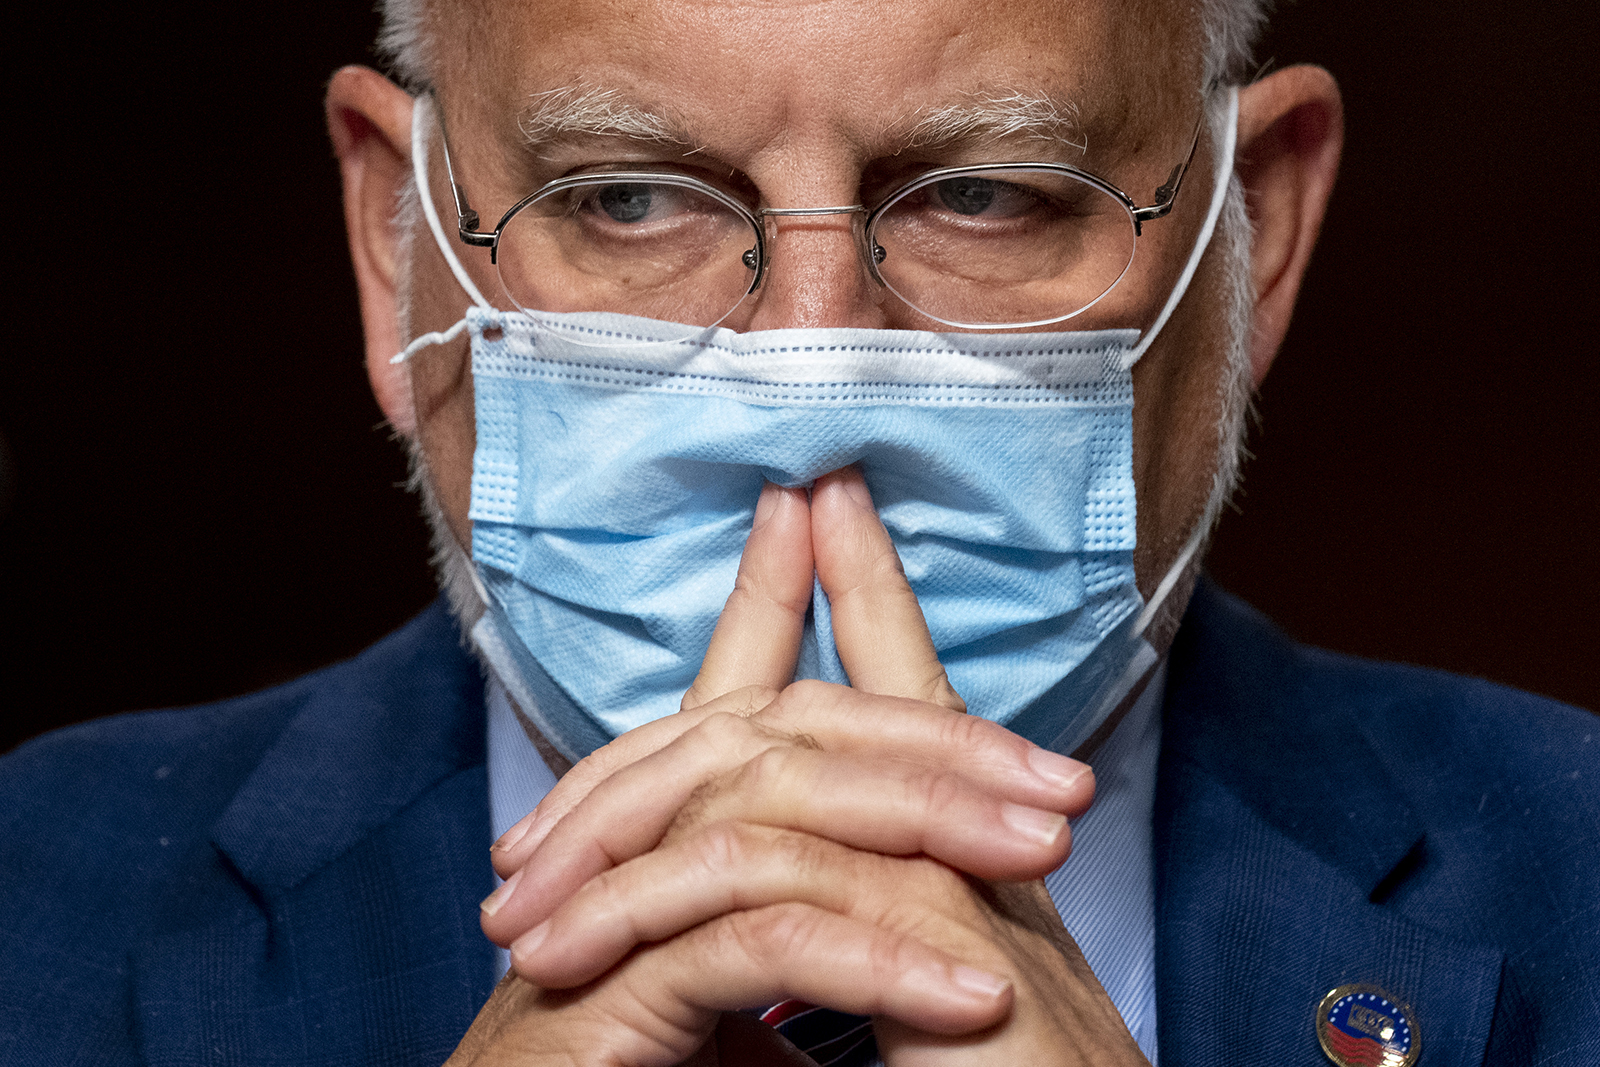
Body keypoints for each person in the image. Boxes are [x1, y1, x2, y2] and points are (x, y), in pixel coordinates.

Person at [1, 0, 1594, 1065]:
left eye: (985, 193)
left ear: (1254, 229)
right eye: (629, 198)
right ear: (392, 239)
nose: (806, 369)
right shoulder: (32, 912)